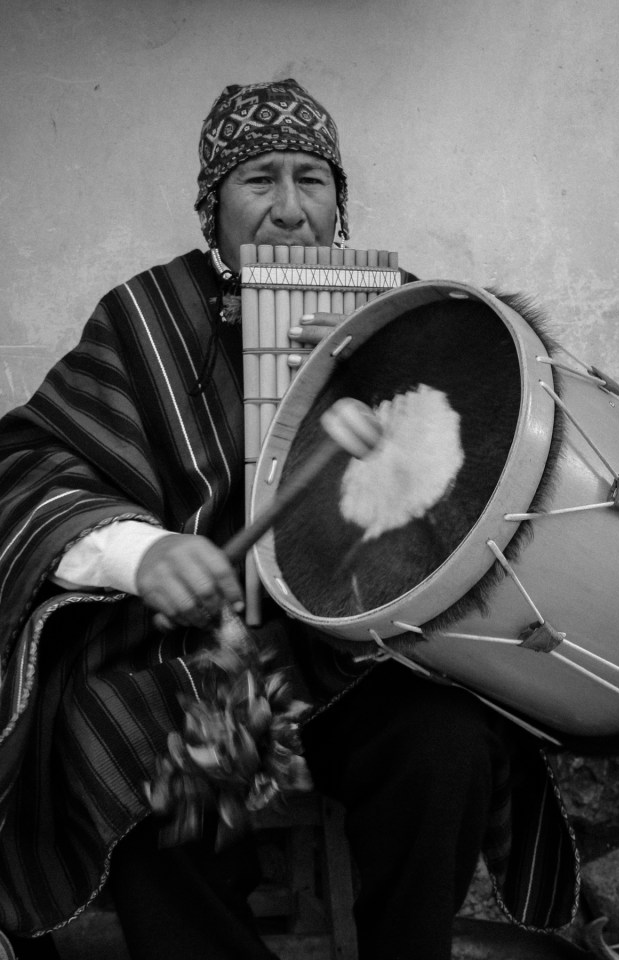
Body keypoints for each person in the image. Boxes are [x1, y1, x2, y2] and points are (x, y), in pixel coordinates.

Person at [0, 78, 579, 960]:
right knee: (131, 766)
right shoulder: (146, 319)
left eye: (312, 178)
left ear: (341, 203)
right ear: (211, 207)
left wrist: (402, 442)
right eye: (257, 179)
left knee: (447, 748)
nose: (288, 209)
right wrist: (141, 553)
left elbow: (488, 484)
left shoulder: (409, 315)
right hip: (189, 662)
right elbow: (31, 465)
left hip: (364, 661)